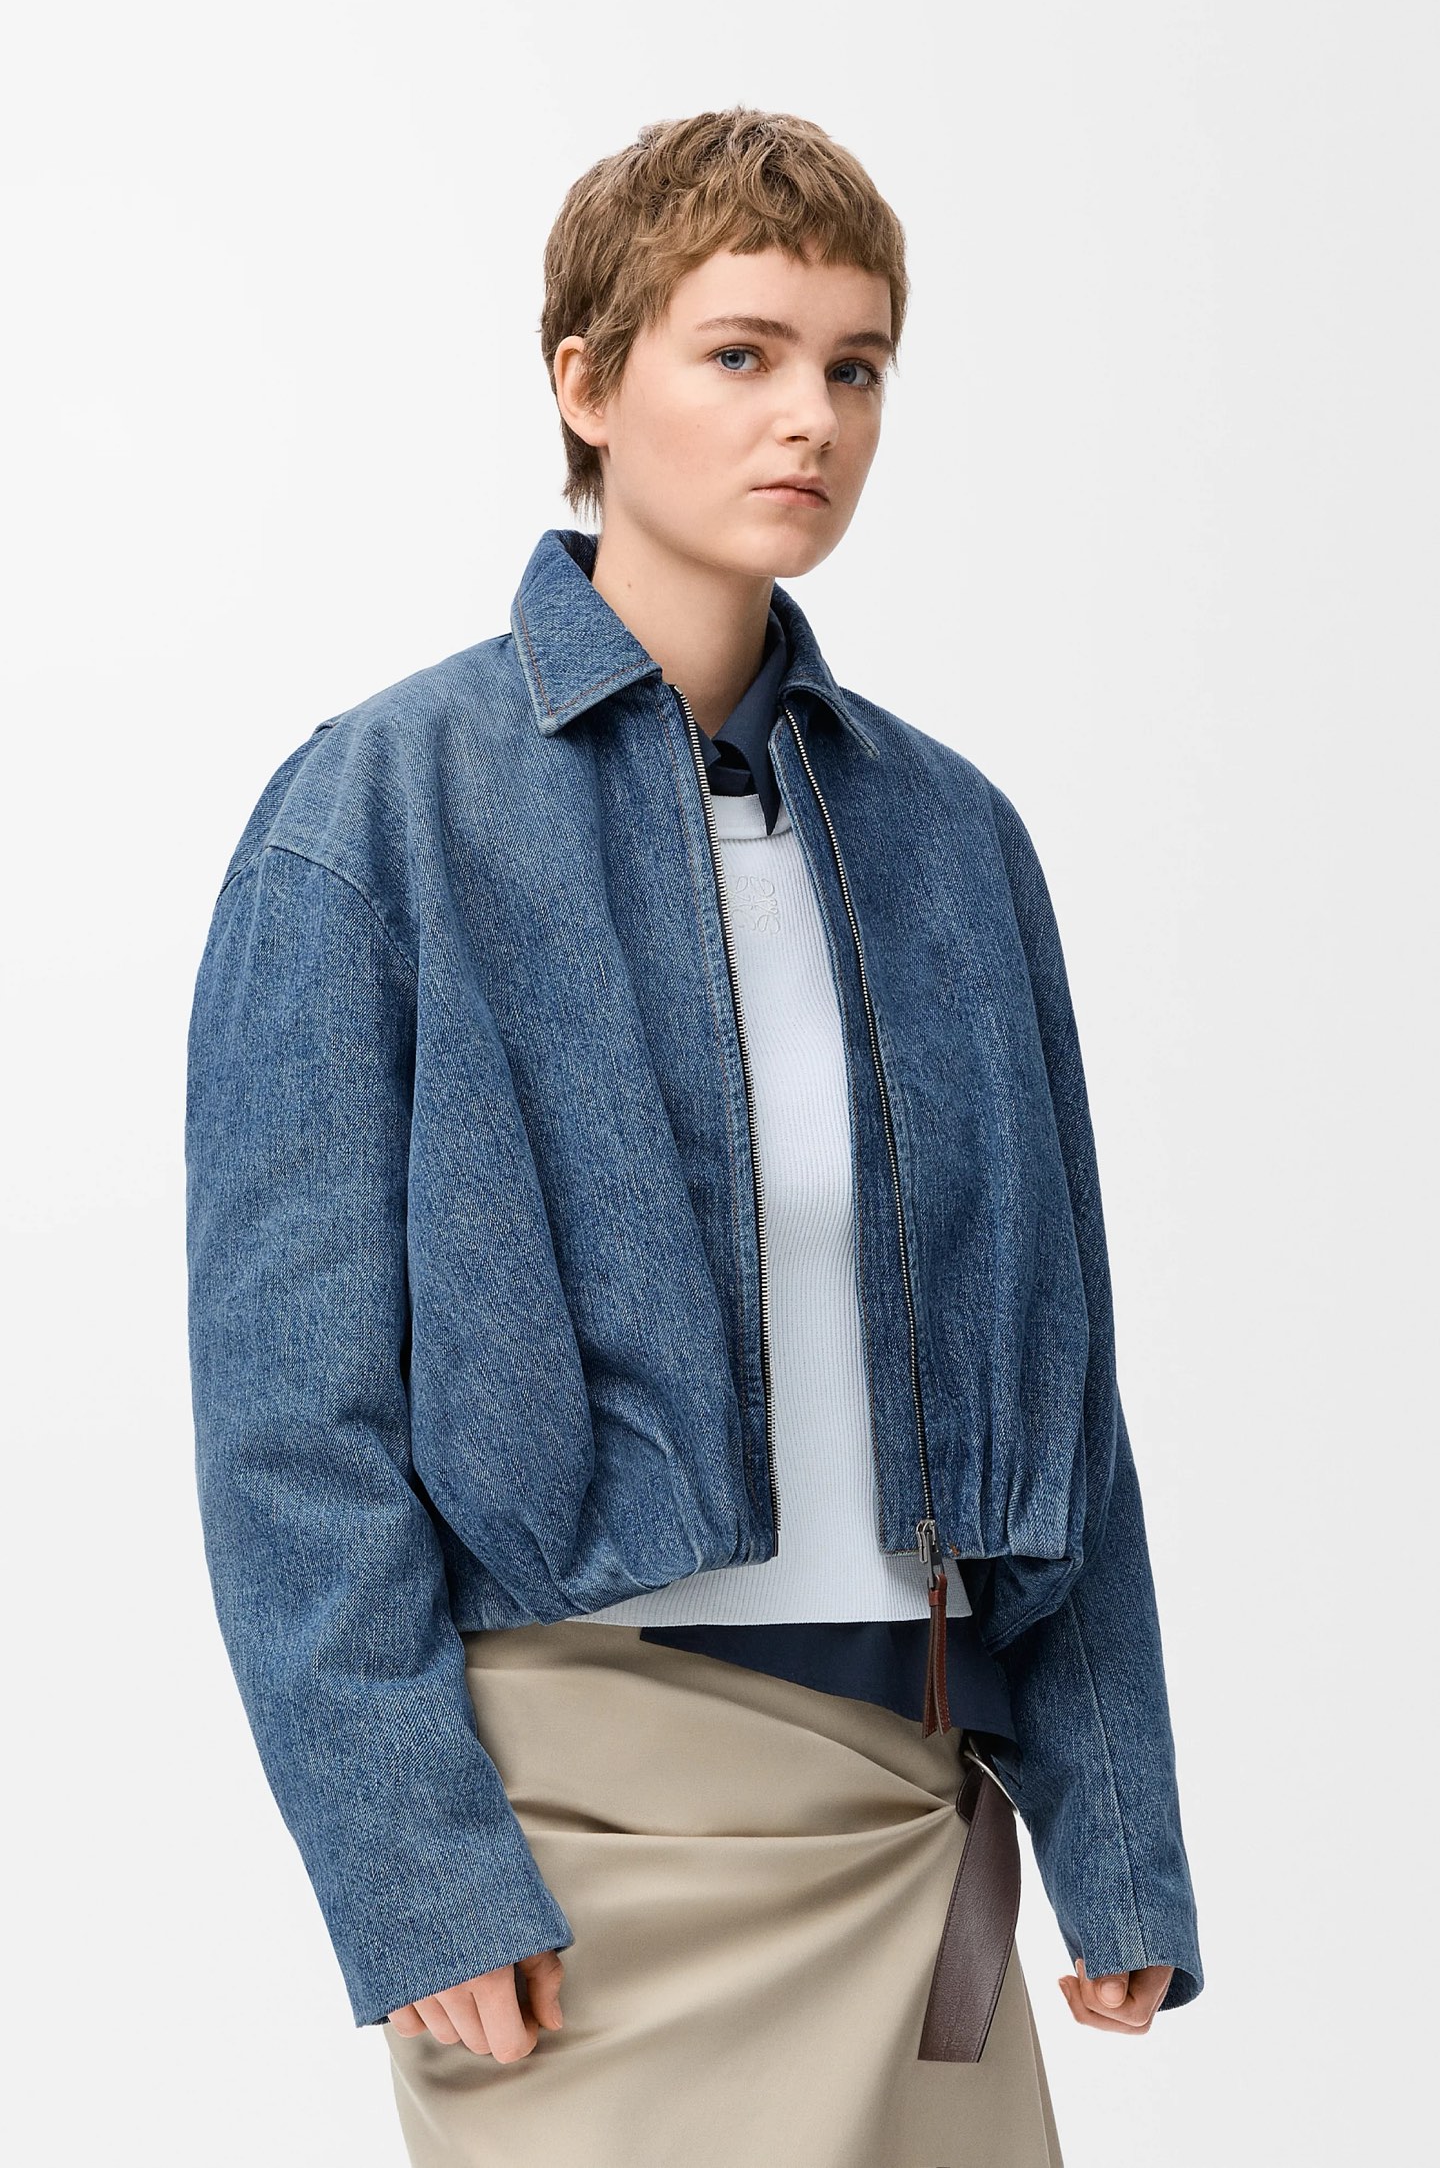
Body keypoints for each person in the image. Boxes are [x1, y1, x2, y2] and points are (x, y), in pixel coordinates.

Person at [185, 106, 1202, 2168]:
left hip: (909, 1802)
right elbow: (292, 1422)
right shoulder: (378, 814)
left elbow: (1064, 1389)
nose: (809, 416)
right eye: (741, 352)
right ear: (585, 380)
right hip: (574, 1829)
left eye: (854, 364)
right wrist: (412, 1868)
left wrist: (1120, 1832)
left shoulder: (954, 843)